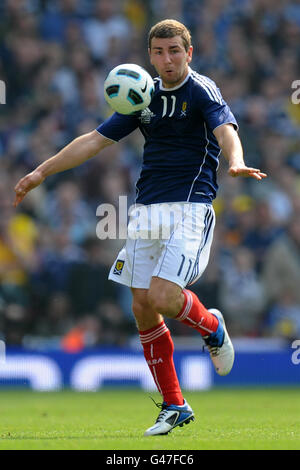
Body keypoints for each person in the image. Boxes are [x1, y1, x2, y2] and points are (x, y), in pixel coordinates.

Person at [14, 19, 267, 436]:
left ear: (189, 53)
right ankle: (174, 404)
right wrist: (42, 171)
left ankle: (212, 327)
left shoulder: (200, 90)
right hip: (146, 210)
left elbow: (226, 130)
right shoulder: (141, 93)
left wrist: (235, 160)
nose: (166, 60)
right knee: (142, 306)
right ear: (149, 54)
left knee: (165, 296)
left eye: (173, 52)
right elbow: (95, 139)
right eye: (158, 52)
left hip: (189, 207)